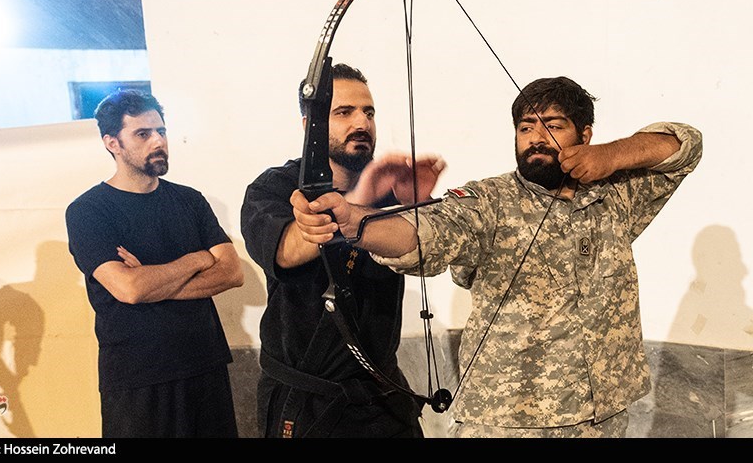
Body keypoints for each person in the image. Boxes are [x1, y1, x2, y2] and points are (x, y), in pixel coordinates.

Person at [290, 76, 703, 438]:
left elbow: (686, 144)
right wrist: (356, 222)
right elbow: (427, 231)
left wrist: (612, 155)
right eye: (526, 128)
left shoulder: (615, 195)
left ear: (585, 135)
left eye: (553, 125)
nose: (536, 138)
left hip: (603, 415)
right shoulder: (489, 201)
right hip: (508, 419)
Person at [240, 63, 447, 438]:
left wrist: (419, 204)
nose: (362, 123)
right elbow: (287, 250)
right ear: (311, 126)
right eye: (344, 112)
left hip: (382, 397)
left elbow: (432, 256)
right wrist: (359, 200)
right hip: (307, 402)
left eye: (369, 112)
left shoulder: (391, 187)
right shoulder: (275, 187)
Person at [65, 89, 244, 438]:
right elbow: (130, 289)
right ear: (112, 143)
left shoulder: (189, 200)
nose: (158, 141)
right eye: (143, 134)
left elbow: (231, 272)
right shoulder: (88, 211)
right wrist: (198, 259)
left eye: (161, 131)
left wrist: (153, 283)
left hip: (205, 365)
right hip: (138, 379)